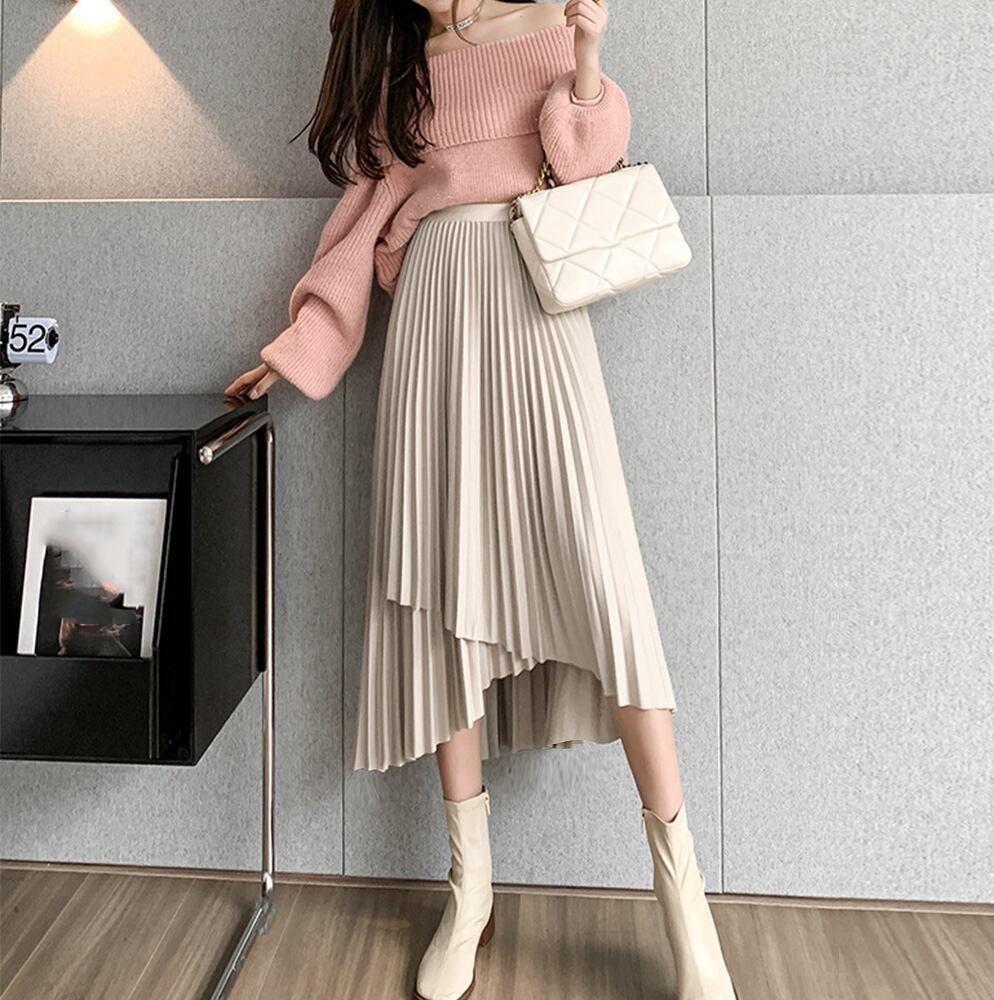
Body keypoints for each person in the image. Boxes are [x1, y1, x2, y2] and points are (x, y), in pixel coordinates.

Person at [225, 2, 739, 998]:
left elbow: (585, 163)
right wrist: (291, 354)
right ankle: (470, 889)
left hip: (536, 310)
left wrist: (588, 58)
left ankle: (684, 899)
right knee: (438, 602)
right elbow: (358, 229)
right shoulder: (399, 66)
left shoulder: (547, 19)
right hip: (430, 322)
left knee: (608, 588)